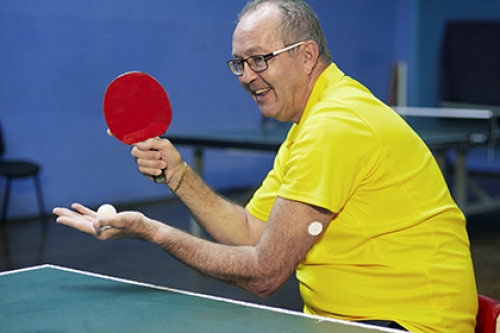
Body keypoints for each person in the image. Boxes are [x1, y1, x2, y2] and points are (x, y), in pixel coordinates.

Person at [53, 0, 478, 332]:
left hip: (407, 326)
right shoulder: (309, 125)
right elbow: (250, 231)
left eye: (260, 59)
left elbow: (264, 273)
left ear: (307, 55)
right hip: (346, 320)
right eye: (239, 63)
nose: (246, 76)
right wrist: (177, 175)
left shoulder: (336, 126)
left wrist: (153, 231)